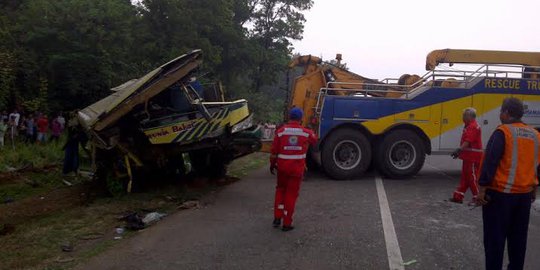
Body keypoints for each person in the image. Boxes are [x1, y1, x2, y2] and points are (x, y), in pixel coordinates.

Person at [477, 97, 539, 270]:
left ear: (506, 112)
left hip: (500, 196)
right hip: (524, 197)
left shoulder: (503, 132)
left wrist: (482, 190)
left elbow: (490, 162)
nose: (500, 114)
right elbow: (536, 164)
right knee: (518, 240)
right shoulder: (535, 134)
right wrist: (534, 188)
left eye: (501, 111)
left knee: (494, 241)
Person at [270, 107, 318, 231]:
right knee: (291, 195)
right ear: (301, 118)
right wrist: (311, 129)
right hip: (296, 169)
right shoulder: (305, 132)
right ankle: (287, 223)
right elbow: (314, 140)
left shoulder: (280, 132)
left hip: (282, 168)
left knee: (280, 190)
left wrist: (272, 164)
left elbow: (274, 151)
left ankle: (277, 217)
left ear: (289, 117)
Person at [450, 108, 483, 204]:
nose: (463, 117)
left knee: (472, 177)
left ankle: (478, 198)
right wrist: (460, 152)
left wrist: (459, 150)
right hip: (468, 156)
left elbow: (468, 141)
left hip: (472, 157)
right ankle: (458, 196)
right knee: (465, 177)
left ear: (470, 116)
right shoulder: (469, 126)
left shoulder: (473, 126)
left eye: (464, 115)